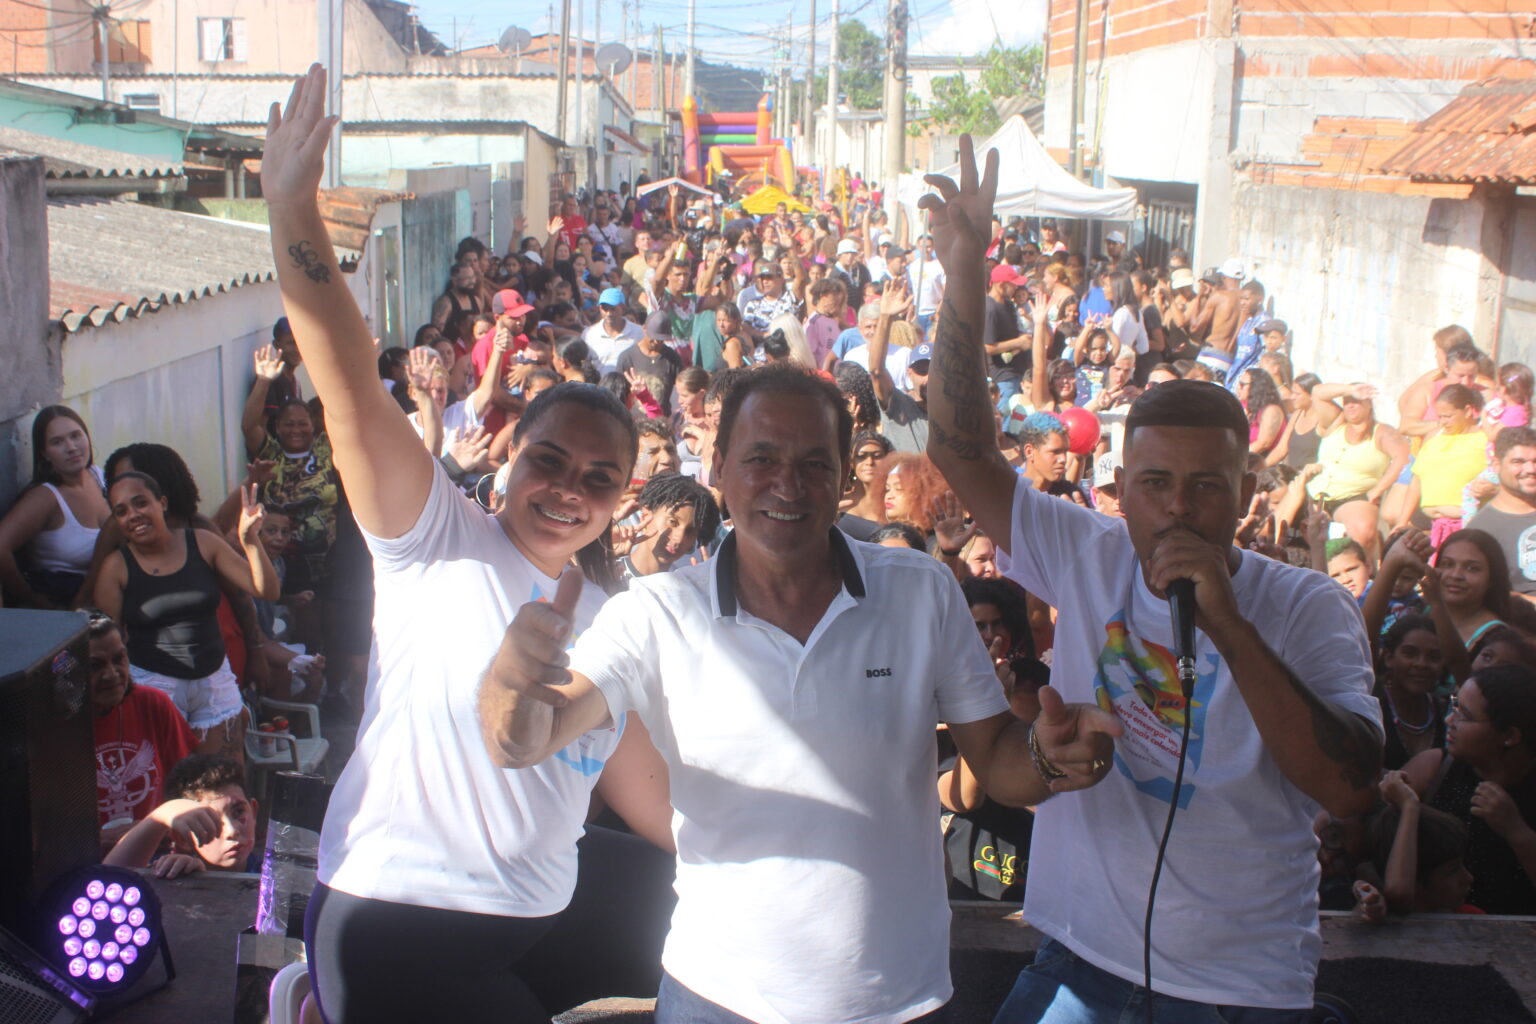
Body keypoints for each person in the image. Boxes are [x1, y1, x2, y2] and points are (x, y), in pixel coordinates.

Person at [480, 360, 1121, 1024]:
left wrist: (1049, 756)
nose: (787, 483)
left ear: (845, 478)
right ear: (720, 468)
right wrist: (511, 680)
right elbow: (525, 739)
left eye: (815, 463)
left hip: (901, 1004)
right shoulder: (657, 613)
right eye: (761, 458)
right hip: (716, 1002)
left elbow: (997, 760)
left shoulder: (919, 590)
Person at [921, 139, 1381, 1022]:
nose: (1178, 509)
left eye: (1207, 486)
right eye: (1155, 484)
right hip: (1079, 958)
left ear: (1245, 494)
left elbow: (1350, 786)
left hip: (1240, 987)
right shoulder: (1085, 552)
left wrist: (1232, 630)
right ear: (1119, 492)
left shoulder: (1309, 607)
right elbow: (959, 449)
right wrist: (967, 277)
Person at [262, 69, 676, 1023]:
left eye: (599, 479)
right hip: (396, 920)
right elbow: (345, 376)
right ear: (505, 458)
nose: (570, 490)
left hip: (531, 918)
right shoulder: (432, 536)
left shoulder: (616, 622)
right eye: (550, 461)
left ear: (622, 501)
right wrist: (291, 205)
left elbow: (657, 804)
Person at [93, 473, 278, 760]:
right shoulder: (116, 567)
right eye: (121, 511)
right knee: (170, 788)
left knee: (223, 784)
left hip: (214, 682)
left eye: (141, 503)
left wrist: (249, 539)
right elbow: (109, 644)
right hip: (155, 687)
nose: (133, 515)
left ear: (163, 503)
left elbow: (266, 590)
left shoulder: (203, 542)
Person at [1404, 663, 1536, 915]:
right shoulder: (1434, 769)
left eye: (1464, 715)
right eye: (1454, 706)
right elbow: (1372, 841)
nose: (1449, 720)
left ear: (1509, 735)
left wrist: (1516, 830)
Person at [88, 610, 197, 838]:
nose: (111, 674)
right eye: (95, 666)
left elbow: (186, 787)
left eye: (119, 659)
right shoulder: (53, 727)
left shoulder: (153, 703)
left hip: (154, 854)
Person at [243, 347, 341, 595]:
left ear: (313, 424)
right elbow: (249, 425)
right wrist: (264, 380)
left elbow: (347, 417)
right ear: (278, 426)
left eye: (302, 423)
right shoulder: (271, 454)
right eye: (288, 424)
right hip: (280, 562)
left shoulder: (325, 449)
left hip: (329, 561)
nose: (295, 430)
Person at [0, 406, 108, 608]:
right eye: (57, 442)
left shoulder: (98, 475)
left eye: (76, 436)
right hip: (70, 603)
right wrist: (31, 598)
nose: (71, 447)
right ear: (44, 453)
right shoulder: (45, 497)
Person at [103, 754, 258, 878]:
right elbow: (107, 882)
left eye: (238, 812)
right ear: (181, 838)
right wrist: (160, 816)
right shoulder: (168, 871)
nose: (232, 831)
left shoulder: (271, 875)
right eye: (211, 820)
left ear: (254, 811)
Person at [1468, 426, 1536, 603]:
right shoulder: (1481, 530)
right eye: (1518, 462)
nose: (1530, 469)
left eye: (1535, 461)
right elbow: (1481, 595)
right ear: (1497, 465)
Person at [616, 473, 719, 584]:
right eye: (672, 522)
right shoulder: (604, 573)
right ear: (646, 516)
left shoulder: (687, 590)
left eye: (690, 531)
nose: (679, 538)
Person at [619, 313, 685, 415]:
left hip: (661, 421)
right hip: (634, 422)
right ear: (644, 328)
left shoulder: (673, 358)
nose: (656, 342)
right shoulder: (627, 357)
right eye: (653, 337)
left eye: (661, 339)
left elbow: (683, 391)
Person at [983, 265, 1028, 409]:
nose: (1016, 288)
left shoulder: (1008, 305)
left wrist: (1023, 340)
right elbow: (988, 347)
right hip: (1003, 375)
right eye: (1013, 284)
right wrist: (1019, 342)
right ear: (1001, 285)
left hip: (1016, 371)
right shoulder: (990, 308)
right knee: (1004, 417)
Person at [839, 429, 894, 540]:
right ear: (851, 462)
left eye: (877, 456)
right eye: (861, 456)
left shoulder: (894, 502)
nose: (869, 462)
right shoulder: (839, 502)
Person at [1234, 366, 1287, 457]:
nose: (1238, 387)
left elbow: (1263, 444)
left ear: (1256, 387)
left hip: (1259, 460)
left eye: (1242, 385)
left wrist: (1234, 457)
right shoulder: (1241, 405)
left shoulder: (1271, 410)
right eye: (1238, 383)